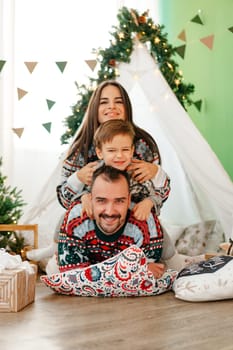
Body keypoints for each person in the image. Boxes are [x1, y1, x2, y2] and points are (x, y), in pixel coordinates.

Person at [56, 80, 170, 211]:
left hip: (135, 218)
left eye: (118, 101)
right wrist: (78, 178)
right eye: (104, 102)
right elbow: (63, 197)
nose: (112, 107)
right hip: (93, 220)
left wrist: (156, 172)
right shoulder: (82, 148)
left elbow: (160, 193)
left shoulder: (143, 144)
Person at [58, 164, 166, 279]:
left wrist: (92, 273)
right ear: (90, 199)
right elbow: (72, 276)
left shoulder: (145, 221)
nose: (110, 211)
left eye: (119, 201)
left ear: (129, 200)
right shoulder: (76, 218)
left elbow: (148, 276)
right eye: (101, 201)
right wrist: (133, 270)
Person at [77, 119, 170, 222]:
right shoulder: (95, 173)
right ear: (99, 153)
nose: (119, 155)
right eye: (112, 150)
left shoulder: (138, 171)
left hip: (136, 220)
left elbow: (156, 194)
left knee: (160, 232)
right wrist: (84, 197)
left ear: (132, 151)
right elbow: (83, 190)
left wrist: (149, 202)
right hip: (106, 222)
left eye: (125, 150)